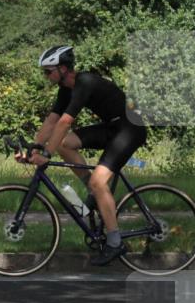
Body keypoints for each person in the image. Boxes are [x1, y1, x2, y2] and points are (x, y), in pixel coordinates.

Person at [19, 46, 148, 265]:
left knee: (99, 182)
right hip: (113, 127)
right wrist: (35, 148)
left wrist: (47, 154)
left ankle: (115, 242)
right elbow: (52, 121)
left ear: (63, 68)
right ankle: (93, 191)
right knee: (65, 145)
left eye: (48, 71)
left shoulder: (85, 82)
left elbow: (65, 122)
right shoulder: (65, 89)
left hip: (130, 129)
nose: (46, 76)